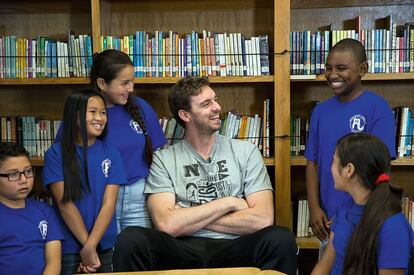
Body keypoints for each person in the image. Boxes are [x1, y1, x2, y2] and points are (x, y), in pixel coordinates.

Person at [113, 76, 297, 274]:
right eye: (206, 104)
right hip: (182, 248)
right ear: (185, 115)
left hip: (236, 245)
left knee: (281, 238)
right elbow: (166, 224)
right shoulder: (164, 159)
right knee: (130, 239)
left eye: (215, 99)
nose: (217, 107)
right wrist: (229, 203)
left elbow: (262, 219)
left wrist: (186, 217)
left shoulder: (246, 151)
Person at [305, 38, 396, 241]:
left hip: (364, 220)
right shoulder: (320, 111)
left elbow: (381, 168)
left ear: (362, 69)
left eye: (342, 68)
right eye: (328, 68)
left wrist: (368, 213)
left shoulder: (378, 109)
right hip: (328, 221)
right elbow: (312, 162)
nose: (332, 74)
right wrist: (314, 208)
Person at [42, 89, 127, 274]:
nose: (100, 117)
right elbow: (66, 205)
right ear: (75, 116)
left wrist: (91, 246)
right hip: (69, 247)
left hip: (103, 245)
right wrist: (86, 246)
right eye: (93, 111)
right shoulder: (55, 154)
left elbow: (109, 203)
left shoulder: (111, 152)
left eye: (103, 112)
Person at [311, 132, 413, 274]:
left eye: (334, 161)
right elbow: (325, 263)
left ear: (349, 170)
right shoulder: (345, 209)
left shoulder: (393, 228)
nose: (331, 169)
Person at [90, 49, 167, 231]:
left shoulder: (141, 107)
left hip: (139, 197)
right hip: (100, 198)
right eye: (124, 83)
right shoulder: (83, 113)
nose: (131, 88)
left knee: (141, 253)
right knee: (109, 256)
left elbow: (159, 154)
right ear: (102, 83)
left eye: (132, 81)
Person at [0, 142, 63, 275]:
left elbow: (54, 261)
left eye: (28, 171)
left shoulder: (45, 211)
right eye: (13, 174)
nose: (24, 180)